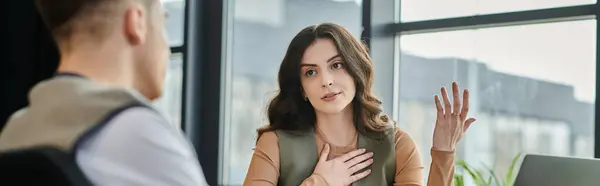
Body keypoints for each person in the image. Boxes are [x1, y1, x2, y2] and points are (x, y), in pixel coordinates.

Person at [0, 0, 208, 185]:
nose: (167, 48)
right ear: (137, 22)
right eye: (163, 21)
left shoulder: (13, 133)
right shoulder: (138, 133)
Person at [243, 23, 476, 186]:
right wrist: (320, 182)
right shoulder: (275, 144)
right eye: (311, 72)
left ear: (356, 71)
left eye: (336, 65)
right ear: (301, 88)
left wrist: (444, 153)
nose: (326, 81)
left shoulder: (398, 145)